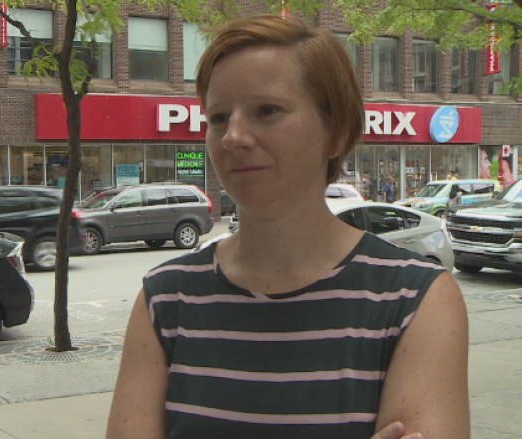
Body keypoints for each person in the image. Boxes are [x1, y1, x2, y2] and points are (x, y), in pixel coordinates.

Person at [106, 14, 468, 439]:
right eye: (219, 117)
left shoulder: (417, 300)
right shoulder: (165, 299)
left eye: (267, 110)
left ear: (335, 132)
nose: (233, 136)